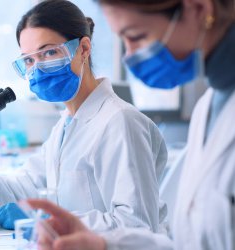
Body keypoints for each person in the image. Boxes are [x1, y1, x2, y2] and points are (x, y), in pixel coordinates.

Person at [26, 0, 235, 249]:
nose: (130, 55)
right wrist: (103, 244)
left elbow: (137, 221)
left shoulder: (121, 120)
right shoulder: (208, 106)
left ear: (199, 10)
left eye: (136, 35)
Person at [0, 0, 168, 232]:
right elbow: (28, 186)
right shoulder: (65, 125)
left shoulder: (120, 122)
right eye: (29, 60)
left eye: (49, 52)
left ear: (83, 49)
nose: (37, 68)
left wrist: (52, 223)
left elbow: (136, 224)